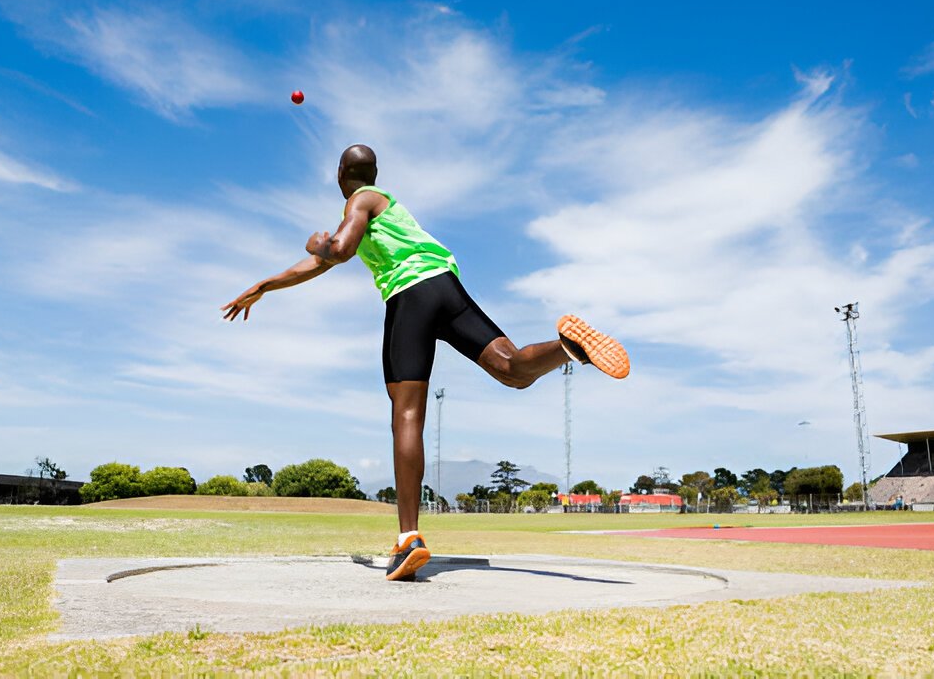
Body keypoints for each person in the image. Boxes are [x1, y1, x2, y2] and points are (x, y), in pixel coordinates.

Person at [222, 144, 629, 581]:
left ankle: (409, 538)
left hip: (409, 298)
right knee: (512, 370)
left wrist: (318, 240)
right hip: (446, 288)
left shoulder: (360, 201)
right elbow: (317, 265)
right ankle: (568, 348)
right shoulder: (386, 209)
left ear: (341, 172)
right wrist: (264, 285)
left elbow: (335, 250)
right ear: (374, 171)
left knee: (407, 415)